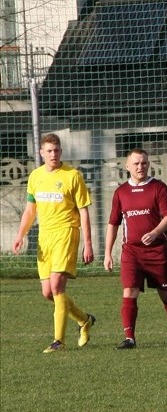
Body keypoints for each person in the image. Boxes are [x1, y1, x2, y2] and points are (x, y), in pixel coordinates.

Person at [12, 133, 96, 353]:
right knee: (48, 293)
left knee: (58, 286)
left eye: (56, 150)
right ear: (41, 153)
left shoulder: (73, 175)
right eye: (49, 151)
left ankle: (58, 341)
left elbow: (83, 211)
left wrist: (88, 243)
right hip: (45, 237)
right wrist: (21, 235)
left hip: (67, 233)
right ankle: (84, 320)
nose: (53, 154)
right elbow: (31, 209)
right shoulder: (35, 177)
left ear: (61, 151)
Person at [104, 148, 167, 348]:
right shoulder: (121, 192)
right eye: (136, 163)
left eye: (144, 163)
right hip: (131, 252)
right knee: (129, 291)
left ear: (148, 164)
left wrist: (156, 232)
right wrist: (107, 253)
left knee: (166, 295)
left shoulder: (158, 188)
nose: (141, 167)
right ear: (127, 166)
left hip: (157, 251)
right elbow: (113, 223)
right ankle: (129, 338)